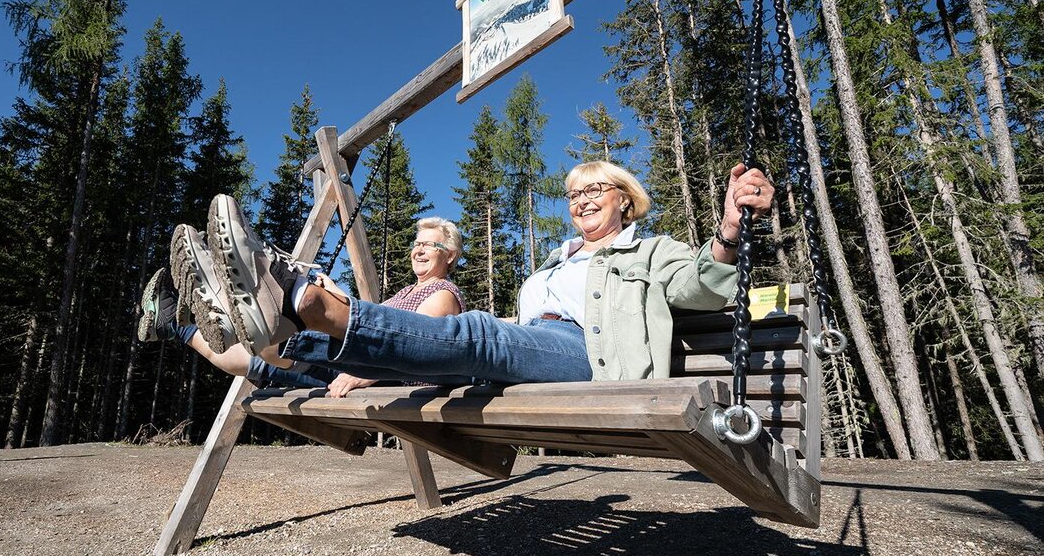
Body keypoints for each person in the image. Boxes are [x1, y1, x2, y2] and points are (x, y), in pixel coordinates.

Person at [191, 161, 773, 386]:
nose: (582, 200)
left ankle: (301, 298)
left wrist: (729, 230)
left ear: (626, 199)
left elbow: (701, 284)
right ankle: (278, 323)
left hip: (592, 358)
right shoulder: (558, 259)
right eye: (573, 194)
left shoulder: (648, 252)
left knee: (475, 331)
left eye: (595, 189)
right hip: (535, 349)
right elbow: (524, 326)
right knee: (463, 339)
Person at [138, 217, 466, 397]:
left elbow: (412, 346)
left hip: (378, 376)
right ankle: (176, 323)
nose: (419, 250)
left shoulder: (443, 293)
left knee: (278, 339)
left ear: (449, 255)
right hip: (359, 362)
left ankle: (235, 290)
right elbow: (377, 325)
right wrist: (339, 294)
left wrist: (361, 376)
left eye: (430, 245)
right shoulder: (409, 290)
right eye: (416, 243)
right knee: (258, 355)